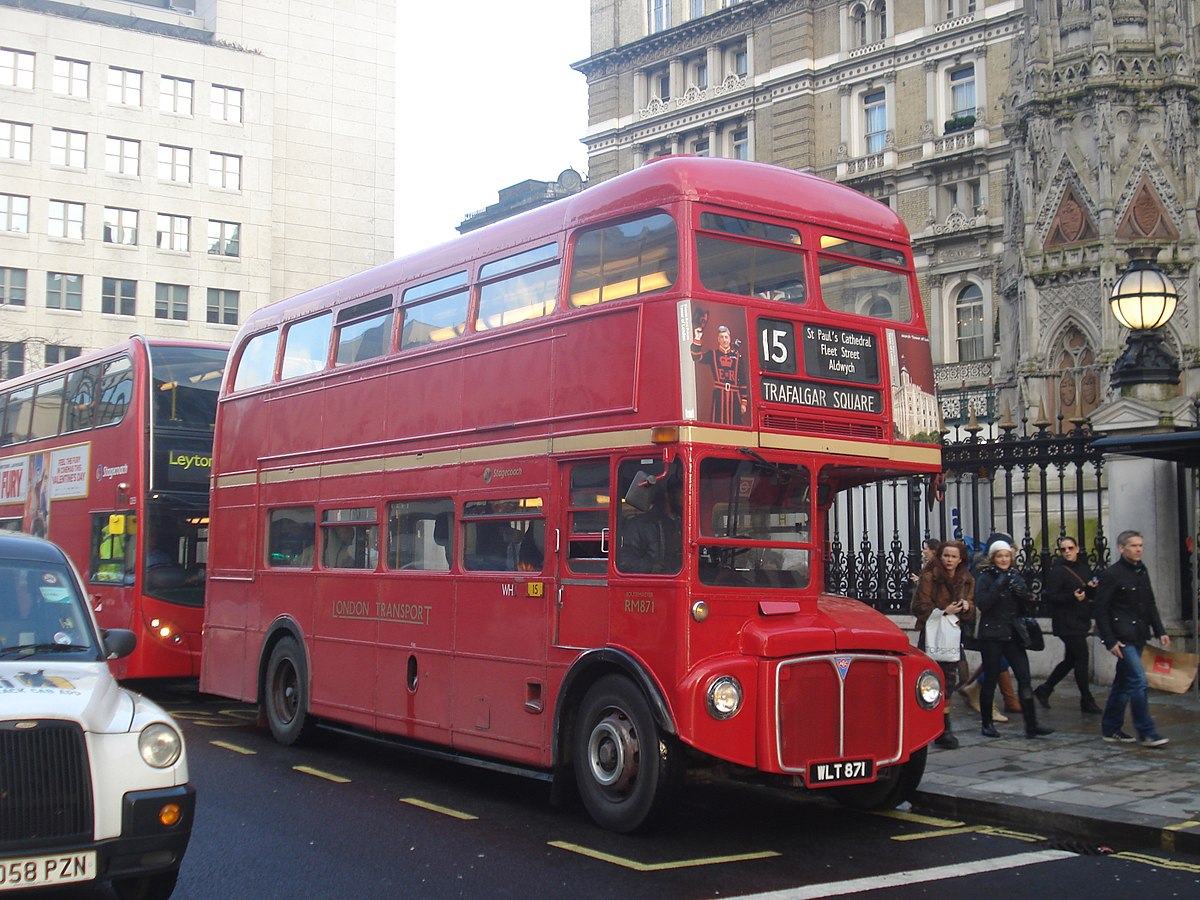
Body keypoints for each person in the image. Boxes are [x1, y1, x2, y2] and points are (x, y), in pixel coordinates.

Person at [1093, 530, 1170, 747]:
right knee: (1138, 681)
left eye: (1140, 545)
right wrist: (1109, 640)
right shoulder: (1111, 574)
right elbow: (1100, 610)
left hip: (1138, 635)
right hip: (1122, 637)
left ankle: (1110, 727)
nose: (1138, 549)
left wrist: (1161, 630)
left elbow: (1150, 603)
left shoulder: (1141, 571)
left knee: (1123, 684)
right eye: (1134, 545)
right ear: (1121, 548)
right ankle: (1146, 731)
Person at [971, 539, 1053, 738]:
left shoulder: (1016, 575)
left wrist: (1024, 596)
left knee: (1024, 678)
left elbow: (1024, 608)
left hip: (1013, 634)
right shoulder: (985, 577)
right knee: (990, 679)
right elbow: (983, 604)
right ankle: (987, 723)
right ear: (993, 558)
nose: (1004, 559)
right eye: (1000, 556)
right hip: (992, 634)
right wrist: (1000, 584)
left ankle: (1031, 724)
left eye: (1007, 556)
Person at [911, 540, 975, 749]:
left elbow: (972, 609)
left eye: (953, 556)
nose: (949, 560)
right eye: (946, 555)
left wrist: (966, 607)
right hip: (932, 634)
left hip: (953, 636)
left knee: (951, 681)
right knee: (929, 681)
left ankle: (943, 725)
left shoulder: (966, 579)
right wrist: (944, 610)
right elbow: (919, 606)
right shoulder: (930, 577)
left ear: (960, 559)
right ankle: (933, 726)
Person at [1034, 535, 1101, 714]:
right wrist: (1072, 597)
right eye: (1063, 549)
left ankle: (1045, 688)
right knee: (1081, 657)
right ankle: (1086, 699)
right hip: (1066, 621)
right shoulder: (1057, 570)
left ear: (1077, 549)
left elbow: (1087, 592)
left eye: (1070, 548)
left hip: (1081, 619)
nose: (1067, 552)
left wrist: (1091, 588)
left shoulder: (1083, 567)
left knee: (1071, 659)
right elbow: (1051, 596)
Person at [618, 479, 683, 574]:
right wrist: (651, 567)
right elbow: (624, 560)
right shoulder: (640, 524)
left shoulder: (681, 523)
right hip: (653, 582)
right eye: (682, 494)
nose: (688, 499)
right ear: (668, 496)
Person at [691, 323, 748, 425]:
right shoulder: (712, 354)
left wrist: (744, 402)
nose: (724, 340)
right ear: (718, 339)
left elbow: (743, 380)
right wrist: (697, 338)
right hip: (719, 395)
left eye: (726, 337)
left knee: (736, 425)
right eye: (722, 337)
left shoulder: (738, 357)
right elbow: (696, 357)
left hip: (734, 396)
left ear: (730, 339)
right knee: (717, 424)